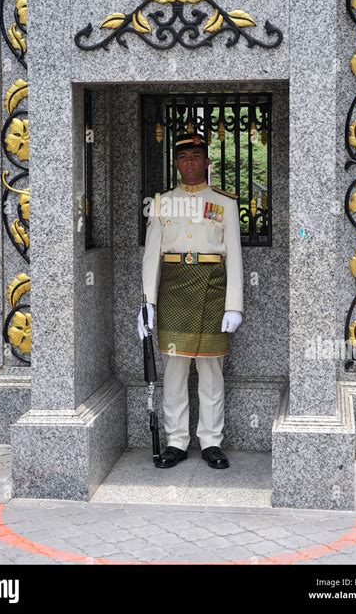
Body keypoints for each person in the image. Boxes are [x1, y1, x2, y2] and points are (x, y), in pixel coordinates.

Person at [137, 131, 244, 469]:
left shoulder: (225, 203)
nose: (190, 163)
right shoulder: (162, 202)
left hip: (212, 288)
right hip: (173, 289)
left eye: (196, 157)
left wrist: (234, 305)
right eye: (183, 157)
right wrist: (148, 302)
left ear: (207, 162)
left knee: (211, 370)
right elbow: (151, 254)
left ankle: (211, 441)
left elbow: (236, 257)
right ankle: (176, 441)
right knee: (175, 369)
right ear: (176, 163)